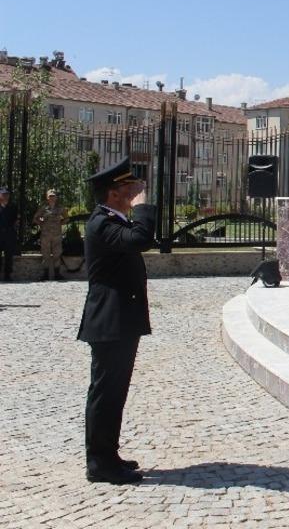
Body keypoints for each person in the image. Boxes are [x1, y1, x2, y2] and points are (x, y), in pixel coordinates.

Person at [77, 158, 156, 484]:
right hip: (109, 322)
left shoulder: (113, 219)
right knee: (105, 393)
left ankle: (108, 455)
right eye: (128, 188)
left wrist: (136, 209)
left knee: (114, 393)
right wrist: (143, 207)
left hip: (120, 320)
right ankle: (99, 464)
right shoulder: (102, 223)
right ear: (113, 194)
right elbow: (139, 241)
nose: (135, 191)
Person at [33, 189, 67, 281]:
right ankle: (45, 274)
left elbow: (67, 218)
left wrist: (60, 223)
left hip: (57, 234)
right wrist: (42, 224)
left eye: (53, 196)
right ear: (47, 198)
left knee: (57, 253)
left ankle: (57, 274)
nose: (52, 198)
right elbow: (35, 218)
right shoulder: (43, 208)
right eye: (50, 196)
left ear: (56, 198)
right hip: (46, 235)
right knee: (45, 254)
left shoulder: (60, 208)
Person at [0, 187, 17, 282]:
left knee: (9, 256)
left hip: (9, 234)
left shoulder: (13, 207)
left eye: (7, 194)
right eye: (3, 194)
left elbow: (15, 220)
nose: (5, 196)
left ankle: (7, 275)